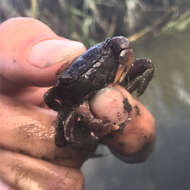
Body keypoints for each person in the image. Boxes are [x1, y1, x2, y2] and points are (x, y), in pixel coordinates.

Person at [0, 17, 155, 190]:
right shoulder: (62, 93)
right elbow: (49, 97)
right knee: (65, 136)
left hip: (109, 76)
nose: (91, 72)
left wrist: (126, 80)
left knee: (147, 65)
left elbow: (124, 46)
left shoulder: (109, 49)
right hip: (77, 98)